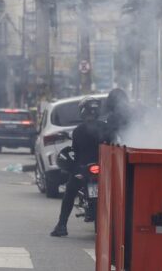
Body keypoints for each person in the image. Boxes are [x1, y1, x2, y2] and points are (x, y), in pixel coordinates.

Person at [51, 97, 113, 237]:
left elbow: (76, 152)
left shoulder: (79, 130)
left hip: (84, 170)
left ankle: (61, 225)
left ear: (83, 112)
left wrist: (77, 168)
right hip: (105, 169)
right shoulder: (106, 128)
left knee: (69, 193)